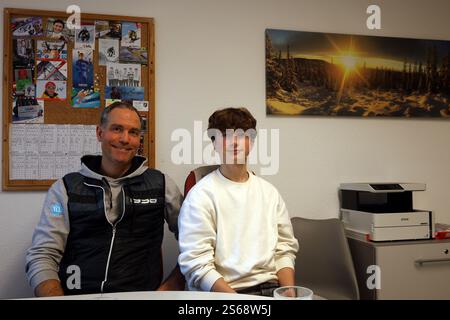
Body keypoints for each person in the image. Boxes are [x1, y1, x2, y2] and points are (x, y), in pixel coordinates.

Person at [26, 101, 185, 296]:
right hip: (77, 296)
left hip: (141, 296)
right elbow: (42, 254)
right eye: (117, 129)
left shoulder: (161, 185)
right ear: (99, 133)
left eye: (133, 132)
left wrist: (171, 287)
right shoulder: (65, 189)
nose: (125, 139)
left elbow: (197, 244)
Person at [178, 107, 299, 296]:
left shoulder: (269, 193)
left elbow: (284, 250)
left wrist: (288, 290)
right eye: (225, 135)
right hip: (223, 293)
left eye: (243, 135)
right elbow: (197, 265)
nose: (235, 142)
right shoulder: (200, 196)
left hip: (272, 288)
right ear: (214, 144)